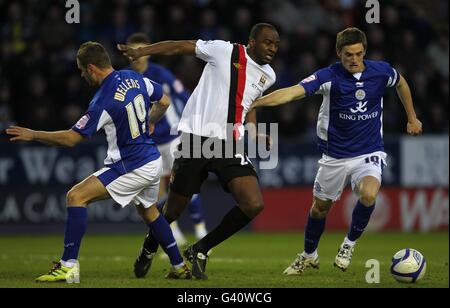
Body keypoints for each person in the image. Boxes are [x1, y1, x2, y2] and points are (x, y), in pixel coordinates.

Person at [6, 41, 192, 282]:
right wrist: (150, 121)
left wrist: (33, 134)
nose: (82, 75)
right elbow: (164, 101)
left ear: (92, 68)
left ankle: (68, 265)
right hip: (151, 160)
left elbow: (72, 139)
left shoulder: (102, 100)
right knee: (150, 213)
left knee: (76, 196)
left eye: (82, 70)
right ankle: (179, 266)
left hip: (131, 165)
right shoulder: (135, 78)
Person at [250, 27, 423, 275]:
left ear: (365, 51)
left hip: (369, 152)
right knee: (319, 209)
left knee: (369, 194)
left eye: (359, 54)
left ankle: (348, 245)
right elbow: (292, 93)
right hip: (334, 156)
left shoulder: (381, 71)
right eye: (348, 55)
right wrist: (257, 102)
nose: (354, 60)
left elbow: (401, 82)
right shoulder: (328, 76)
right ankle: (308, 255)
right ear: (338, 53)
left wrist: (412, 117)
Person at [118, 23, 280, 279]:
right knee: (172, 211)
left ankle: (200, 248)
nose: (272, 47)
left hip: (228, 143)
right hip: (196, 139)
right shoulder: (222, 50)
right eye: (267, 42)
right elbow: (180, 46)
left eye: (275, 44)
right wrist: (143, 51)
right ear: (251, 41)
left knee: (253, 204)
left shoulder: (268, 75)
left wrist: (255, 132)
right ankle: (149, 247)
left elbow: (249, 103)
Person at [125, 33, 208, 254]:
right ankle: (172, 232)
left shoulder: (161, 75)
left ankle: (200, 229)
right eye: (134, 52)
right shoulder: (126, 80)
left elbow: (185, 95)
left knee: (185, 183)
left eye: (143, 51)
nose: (138, 58)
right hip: (149, 142)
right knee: (158, 190)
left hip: (173, 138)